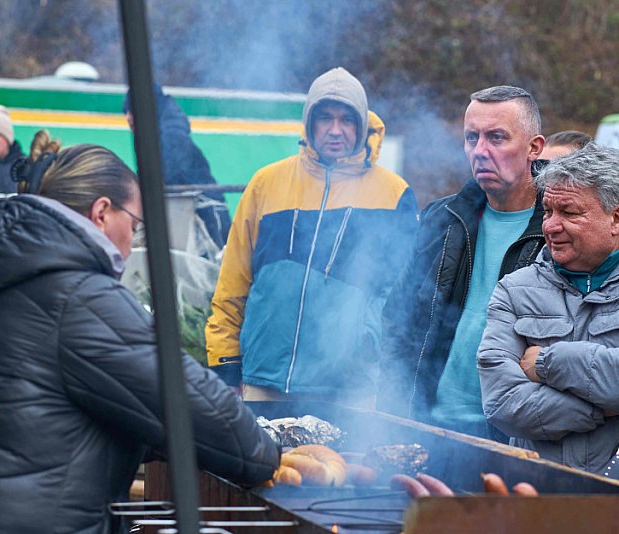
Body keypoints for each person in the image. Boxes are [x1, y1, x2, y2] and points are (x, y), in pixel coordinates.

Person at [0, 131, 279, 534]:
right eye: (136, 225)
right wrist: (268, 451)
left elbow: (24, 416)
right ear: (102, 212)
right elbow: (218, 424)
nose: (132, 243)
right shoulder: (79, 297)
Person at [205, 67, 418, 406]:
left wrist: (367, 343)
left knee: (349, 463)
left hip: (348, 391)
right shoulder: (266, 183)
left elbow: (402, 296)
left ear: (361, 125)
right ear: (309, 123)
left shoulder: (394, 194)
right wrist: (225, 364)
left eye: (347, 120)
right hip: (263, 381)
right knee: (265, 462)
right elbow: (233, 281)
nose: (336, 130)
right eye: (325, 119)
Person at [378, 86, 546, 440]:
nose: (481, 151)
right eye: (472, 138)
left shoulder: (559, 227)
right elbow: (398, 317)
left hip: (511, 434)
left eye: (497, 138)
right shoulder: (443, 217)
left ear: (535, 147)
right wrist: (392, 409)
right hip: (426, 424)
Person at [479, 143, 619, 476]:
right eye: (547, 211)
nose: (550, 227)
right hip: (534, 495)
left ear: (615, 219)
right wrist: (602, 409)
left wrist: (545, 362)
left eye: (569, 213)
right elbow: (501, 402)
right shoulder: (514, 290)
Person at [124, 85, 232, 249]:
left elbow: (162, 182)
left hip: (204, 221)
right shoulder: (157, 133)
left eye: (130, 112)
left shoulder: (171, 137)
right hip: (201, 217)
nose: (128, 118)